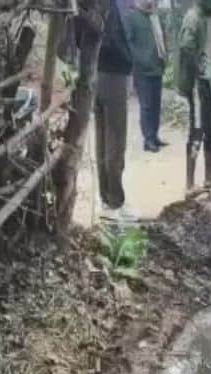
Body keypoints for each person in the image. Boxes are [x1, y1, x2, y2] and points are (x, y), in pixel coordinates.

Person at [87, 0, 133, 215]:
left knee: (103, 135)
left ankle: (106, 195)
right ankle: (115, 198)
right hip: (114, 74)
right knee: (115, 136)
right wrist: (130, 60)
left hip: (96, 72)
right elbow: (116, 41)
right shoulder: (114, 7)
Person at [175, 0, 211, 194]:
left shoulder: (202, 18)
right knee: (197, 131)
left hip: (203, 82)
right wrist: (198, 71)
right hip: (194, 84)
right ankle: (189, 185)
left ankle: (209, 177)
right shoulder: (193, 18)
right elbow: (186, 48)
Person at [124, 0, 166, 153]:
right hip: (142, 70)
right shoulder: (132, 18)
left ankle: (154, 136)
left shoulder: (153, 17)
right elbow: (128, 42)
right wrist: (139, 60)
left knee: (156, 105)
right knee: (146, 105)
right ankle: (148, 140)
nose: (150, 2)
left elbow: (160, 39)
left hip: (157, 67)